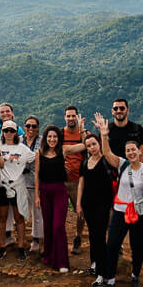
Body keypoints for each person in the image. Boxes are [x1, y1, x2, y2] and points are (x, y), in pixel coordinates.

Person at [96, 139, 143, 287]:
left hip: (138, 214)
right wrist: (104, 135)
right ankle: (110, 281)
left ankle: (135, 277)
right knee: (112, 245)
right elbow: (107, 153)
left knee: (137, 247)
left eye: (133, 149)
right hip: (120, 211)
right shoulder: (122, 165)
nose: (131, 153)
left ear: (140, 151)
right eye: (128, 151)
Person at [81, 113, 121, 287]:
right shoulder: (85, 163)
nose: (92, 148)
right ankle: (98, 271)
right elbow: (82, 182)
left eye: (94, 144)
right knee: (93, 237)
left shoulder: (105, 159)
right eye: (88, 146)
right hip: (88, 204)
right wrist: (78, 204)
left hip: (103, 205)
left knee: (100, 237)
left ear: (98, 144)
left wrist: (104, 134)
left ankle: (104, 273)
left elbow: (107, 151)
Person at [0, 121, 34, 258]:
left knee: (19, 217)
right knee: (2, 217)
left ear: (16, 132)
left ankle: (21, 246)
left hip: (18, 185)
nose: (9, 133)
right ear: (2, 132)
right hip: (2, 186)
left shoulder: (22, 148)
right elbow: (0, 165)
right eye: (6, 130)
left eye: (11, 130)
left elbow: (37, 158)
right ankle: (2, 245)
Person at [35, 125, 70, 272]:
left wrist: (81, 130)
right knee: (48, 226)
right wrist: (36, 195)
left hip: (59, 191)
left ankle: (61, 261)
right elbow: (36, 174)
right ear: (45, 138)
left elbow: (82, 145)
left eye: (55, 136)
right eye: (49, 136)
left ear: (59, 138)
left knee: (58, 226)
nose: (52, 139)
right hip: (44, 191)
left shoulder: (63, 150)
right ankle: (49, 256)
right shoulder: (40, 153)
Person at [62, 105, 88, 253]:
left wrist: (83, 129)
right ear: (65, 117)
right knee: (61, 211)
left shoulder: (84, 133)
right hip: (63, 180)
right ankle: (61, 238)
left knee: (80, 211)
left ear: (77, 117)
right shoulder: (60, 134)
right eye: (68, 116)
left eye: (74, 116)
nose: (71, 119)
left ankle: (78, 237)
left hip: (79, 180)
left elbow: (88, 146)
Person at [20, 115, 43, 253]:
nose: (31, 129)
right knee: (16, 210)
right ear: (24, 127)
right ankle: (12, 235)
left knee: (37, 211)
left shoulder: (42, 141)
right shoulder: (19, 140)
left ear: (38, 128)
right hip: (20, 180)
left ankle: (36, 238)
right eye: (28, 126)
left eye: (34, 126)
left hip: (36, 180)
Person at [106, 98, 143, 162]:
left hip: (133, 169)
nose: (119, 111)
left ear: (127, 110)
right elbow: (103, 153)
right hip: (111, 170)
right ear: (112, 111)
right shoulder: (106, 130)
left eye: (122, 108)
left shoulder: (137, 129)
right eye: (115, 108)